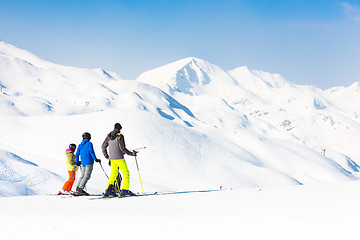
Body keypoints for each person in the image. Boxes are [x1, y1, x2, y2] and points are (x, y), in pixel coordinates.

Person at [102, 123, 137, 197]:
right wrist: (131, 153)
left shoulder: (109, 136)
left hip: (112, 159)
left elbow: (103, 146)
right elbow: (122, 148)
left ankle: (108, 191)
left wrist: (106, 156)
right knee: (126, 173)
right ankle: (125, 190)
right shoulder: (120, 136)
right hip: (119, 158)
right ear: (120, 129)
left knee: (113, 174)